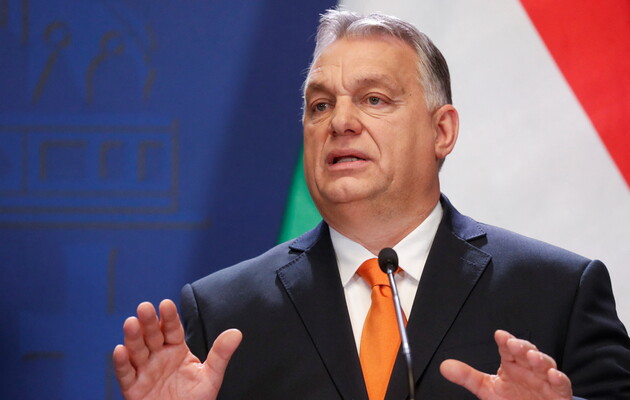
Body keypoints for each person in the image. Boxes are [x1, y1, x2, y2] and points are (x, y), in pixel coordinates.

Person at [112, 9, 630, 400]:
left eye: (374, 99)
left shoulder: (558, 293)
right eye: (320, 105)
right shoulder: (223, 313)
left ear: (442, 131)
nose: (340, 122)